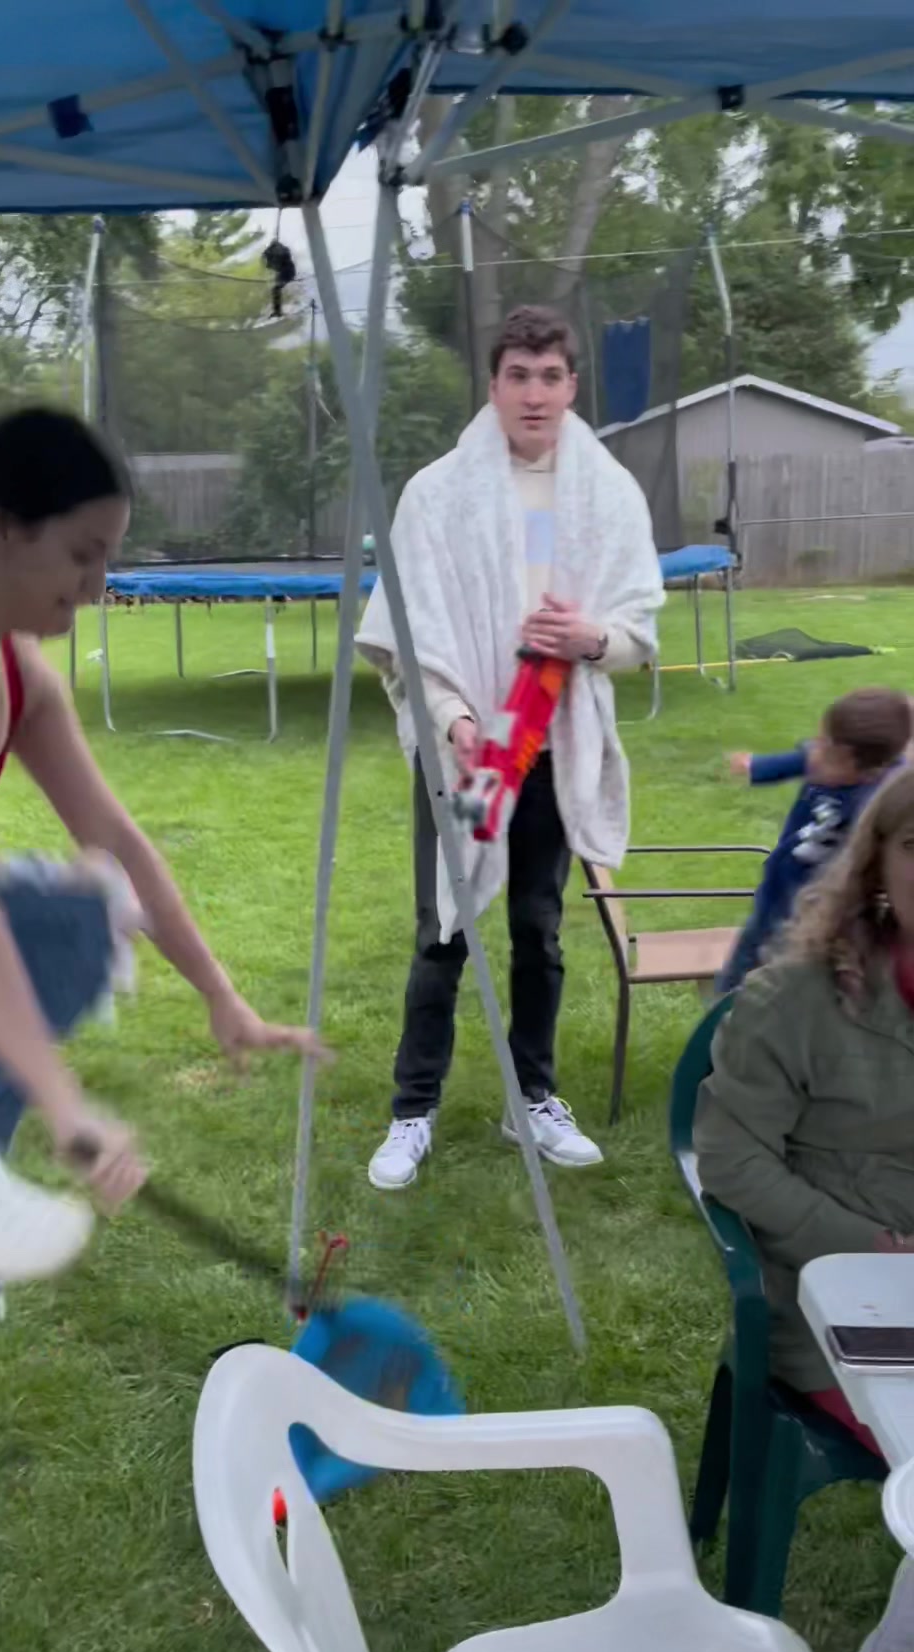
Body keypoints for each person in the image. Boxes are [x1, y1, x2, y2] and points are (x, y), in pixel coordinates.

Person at [0, 407, 324, 1643]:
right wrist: (61, 1104)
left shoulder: (21, 676)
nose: (99, 586)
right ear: (2, 529)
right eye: (83, 555)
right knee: (63, 915)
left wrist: (222, 996)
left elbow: (120, 837)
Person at [358, 306, 664, 1191]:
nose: (535, 393)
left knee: (539, 927)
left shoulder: (608, 494)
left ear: (573, 385)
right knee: (442, 929)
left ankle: (532, 1098)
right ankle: (412, 1109)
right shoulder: (437, 496)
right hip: (467, 751)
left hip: (555, 744)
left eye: (551, 376)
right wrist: (455, 721)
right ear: (493, 385)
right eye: (519, 376)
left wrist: (591, 638)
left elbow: (637, 634)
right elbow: (408, 638)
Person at [694, 766, 914, 1652]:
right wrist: (865, 1242)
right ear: (878, 866)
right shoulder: (797, 998)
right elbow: (729, 1157)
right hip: (834, 1307)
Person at [718, 686, 912, 991]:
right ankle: (725, 1011)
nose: (813, 753)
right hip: (773, 898)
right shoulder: (834, 762)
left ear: (860, 766)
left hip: (817, 918)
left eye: (824, 748)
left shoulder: (878, 800)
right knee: (740, 974)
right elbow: (800, 759)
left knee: (783, 986)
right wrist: (756, 766)